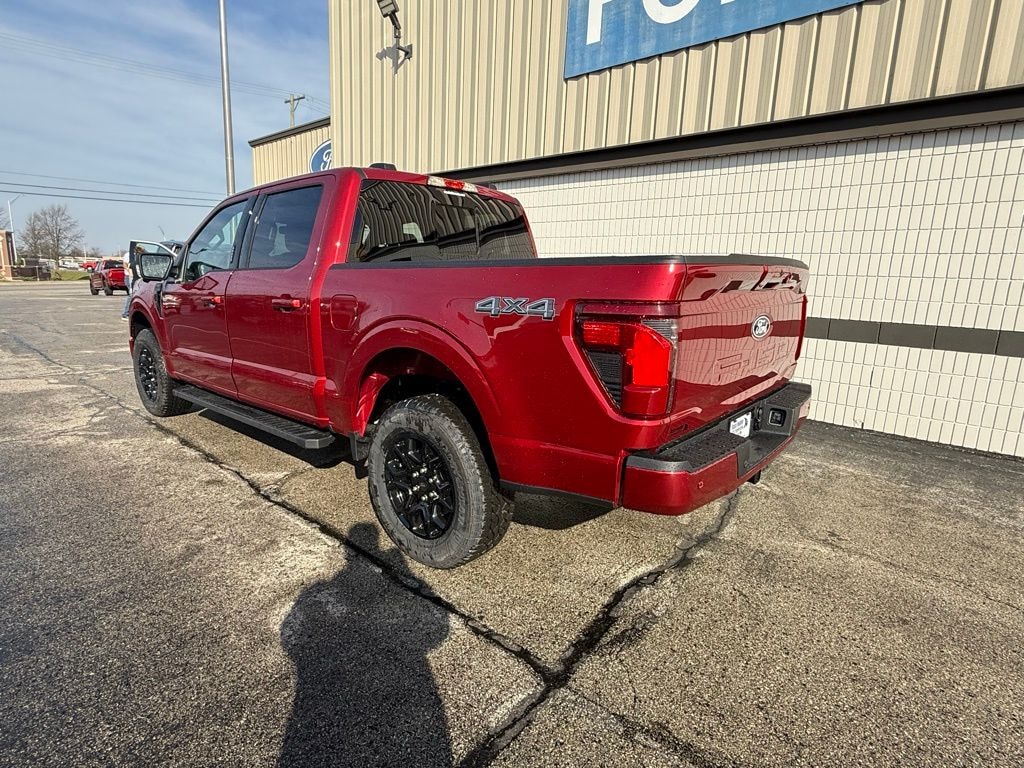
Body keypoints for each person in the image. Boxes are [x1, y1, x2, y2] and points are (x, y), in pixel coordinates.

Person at [120, 246, 141, 320]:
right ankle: (125, 313)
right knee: (131, 294)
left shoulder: (140, 256)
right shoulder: (128, 255)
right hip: (130, 277)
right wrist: (130, 272)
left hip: (136, 277)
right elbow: (125, 265)